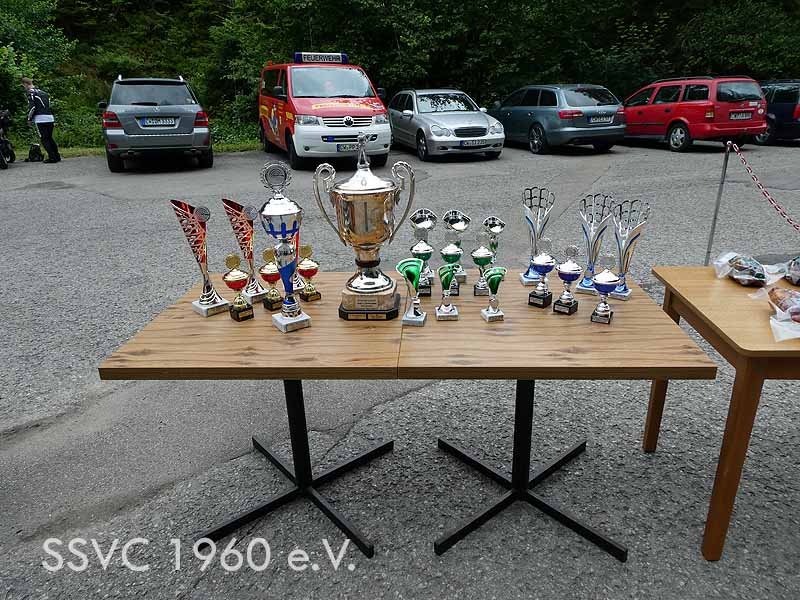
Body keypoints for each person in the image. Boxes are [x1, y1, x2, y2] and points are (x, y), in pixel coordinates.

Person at [21, 77, 61, 163]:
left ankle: (52, 157)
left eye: (23, 86)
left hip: (40, 119)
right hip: (50, 117)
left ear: (25, 84)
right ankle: (57, 156)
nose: (24, 88)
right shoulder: (43, 93)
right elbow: (48, 106)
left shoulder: (31, 93)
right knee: (50, 138)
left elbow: (33, 108)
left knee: (44, 139)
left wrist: (29, 119)